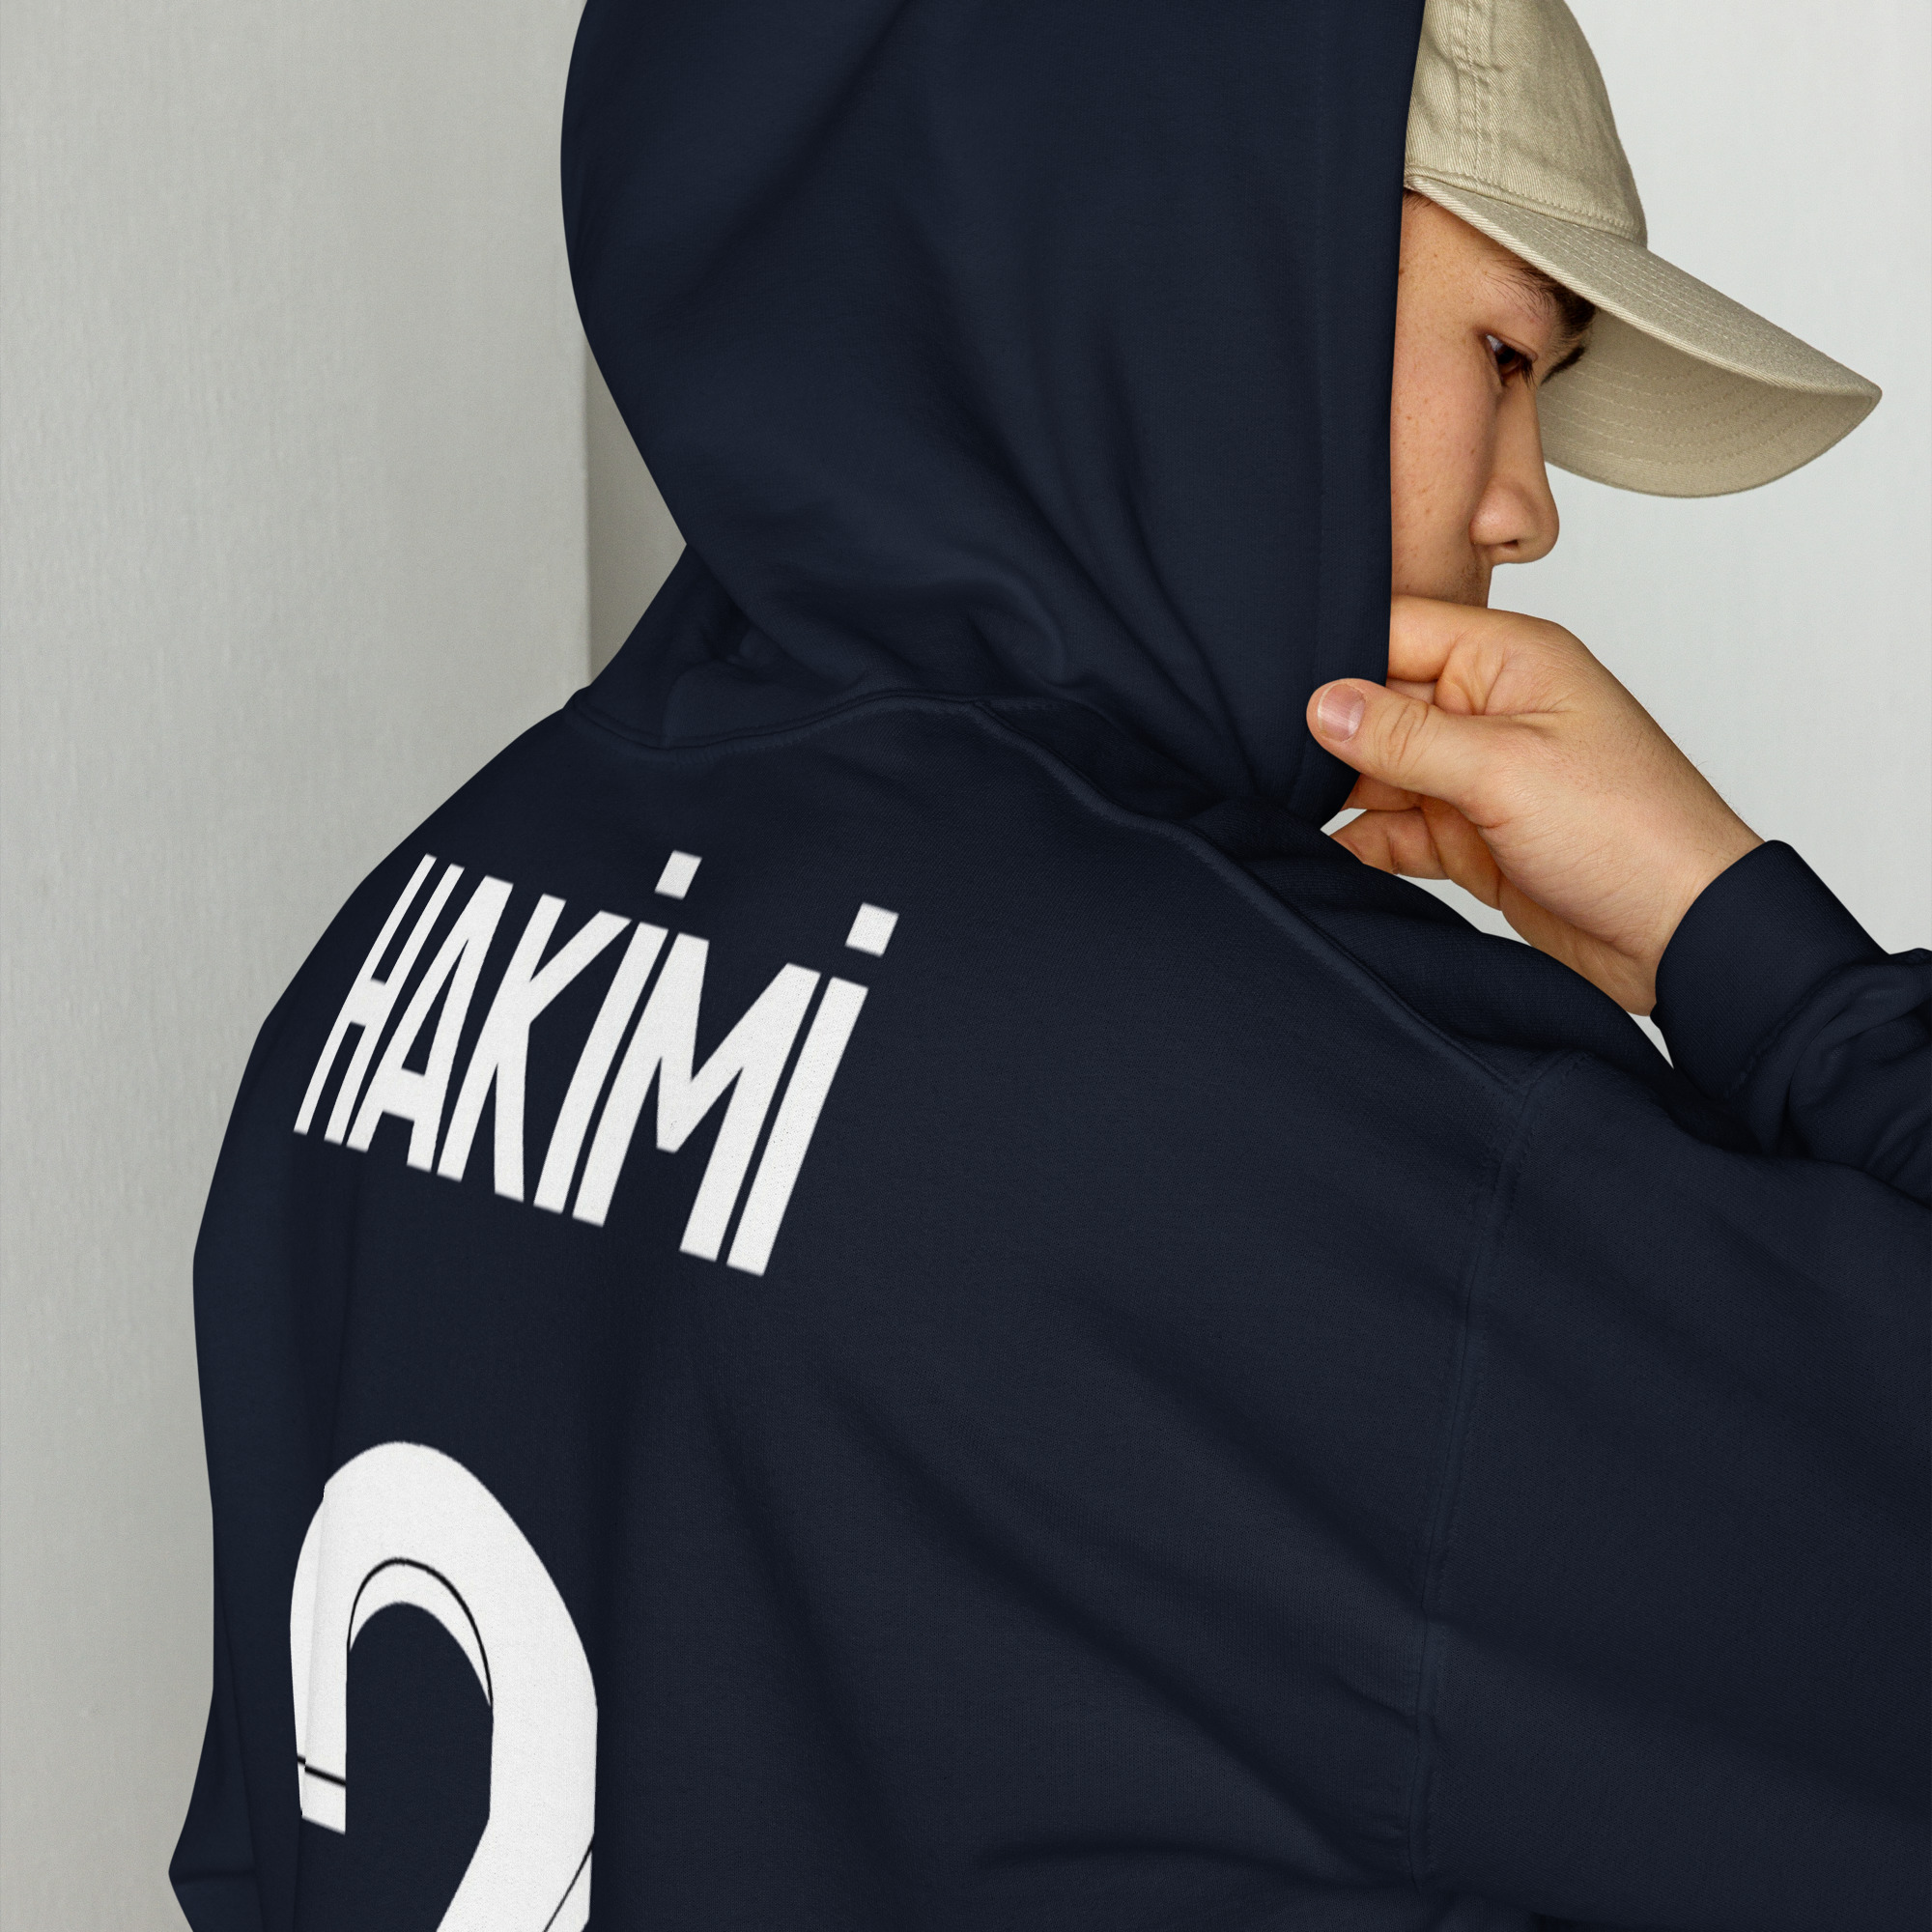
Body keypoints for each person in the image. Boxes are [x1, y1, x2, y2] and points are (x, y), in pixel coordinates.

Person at [171, 2, 1928, 1928]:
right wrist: (1748, 947)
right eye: (1505, 356)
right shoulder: (1320, 1135)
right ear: (1198, 268)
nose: (1530, 504)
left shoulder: (404, 942)